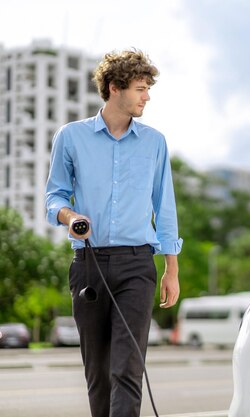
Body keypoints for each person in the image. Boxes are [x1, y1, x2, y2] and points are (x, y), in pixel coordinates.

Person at [45, 49, 182, 417]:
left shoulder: (155, 142)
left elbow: (164, 205)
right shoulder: (71, 137)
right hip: (88, 264)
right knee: (99, 374)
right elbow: (53, 196)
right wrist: (69, 215)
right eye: (140, 88)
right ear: (114, 88)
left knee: (127, 369)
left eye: (148, 88)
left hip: (137, 265)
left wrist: (172, 268)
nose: (146, 96)